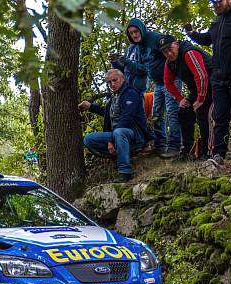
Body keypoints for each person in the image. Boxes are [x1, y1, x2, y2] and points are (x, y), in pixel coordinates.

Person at [185, 0, 231, 166]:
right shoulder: (217, 20)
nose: (215, 5)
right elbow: (207, 39)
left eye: (218, 2)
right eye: (212, 2)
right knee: (219, 116)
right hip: (219, 77)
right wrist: (191, 33)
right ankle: (218, 154)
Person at [114, 19, 180, 158]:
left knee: (173, 113)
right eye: (131, 33)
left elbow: (171, 44)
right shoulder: (137, 47)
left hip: (171, 81)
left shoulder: (154, 37)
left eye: (136, 31)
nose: (134, 35)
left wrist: (174, 67)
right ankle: (160, 145)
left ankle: (175, 146)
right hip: (158, 83)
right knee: (156, 115)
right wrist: (118, 63)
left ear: (142, 30)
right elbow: (138, 67)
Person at [79, 69, 152, 182]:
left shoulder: (131, 93)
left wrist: (111, 141)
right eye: (109, 82)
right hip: (118, 135)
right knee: (89, 139)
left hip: (135, 135)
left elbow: (127, 118)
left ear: (122, 79)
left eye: (115, 80)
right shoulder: (115, 97)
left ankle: (125, 172)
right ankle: (120, 154)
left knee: (119, 132)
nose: (112, 84)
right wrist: (90, 106)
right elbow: (109, 114)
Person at [158, 35, 213, 161]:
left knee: (203, 114)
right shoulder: (169, 63)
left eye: (170, 49)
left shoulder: (189, 53)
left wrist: (200, 100)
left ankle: (207, 152)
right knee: (183, 113)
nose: (169, 53)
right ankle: (187, 150)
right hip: (196, 90)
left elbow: (202, 77)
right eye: (165, 52)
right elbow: (167, 82)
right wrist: (180, 98)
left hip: (213, 85)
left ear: (177, 44)